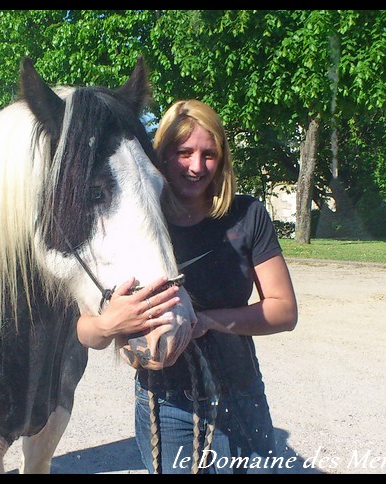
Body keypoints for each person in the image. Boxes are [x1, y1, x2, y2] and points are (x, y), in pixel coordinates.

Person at [77, 99, 298, 474]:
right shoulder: (131, 221)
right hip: (168, 407)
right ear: (161, 154)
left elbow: (283, 310)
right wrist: (108, 324)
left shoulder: (247, 215)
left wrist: (208, 320)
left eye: (209, 154)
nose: (197, 166)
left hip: (243, 394)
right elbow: (87, 331)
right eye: (185, 152)